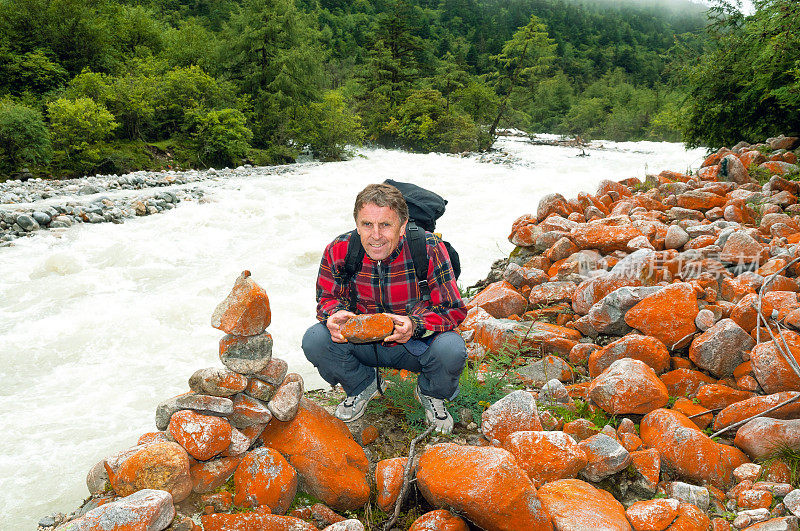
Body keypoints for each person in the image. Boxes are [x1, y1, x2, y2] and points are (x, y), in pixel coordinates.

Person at [302, 183, 467, 433]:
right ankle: (363, 384)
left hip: (414, 346)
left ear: (402, 226)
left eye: (385, 225)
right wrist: (333, 315)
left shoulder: (429, 249)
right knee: (315, 339)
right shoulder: (340, 249)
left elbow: (454, 309)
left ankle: (431, 393)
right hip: (362, 344)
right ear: (357, 224)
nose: (375, 235)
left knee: (452, 349)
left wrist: (414, 325)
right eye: (367, 224)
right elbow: (326, 298)